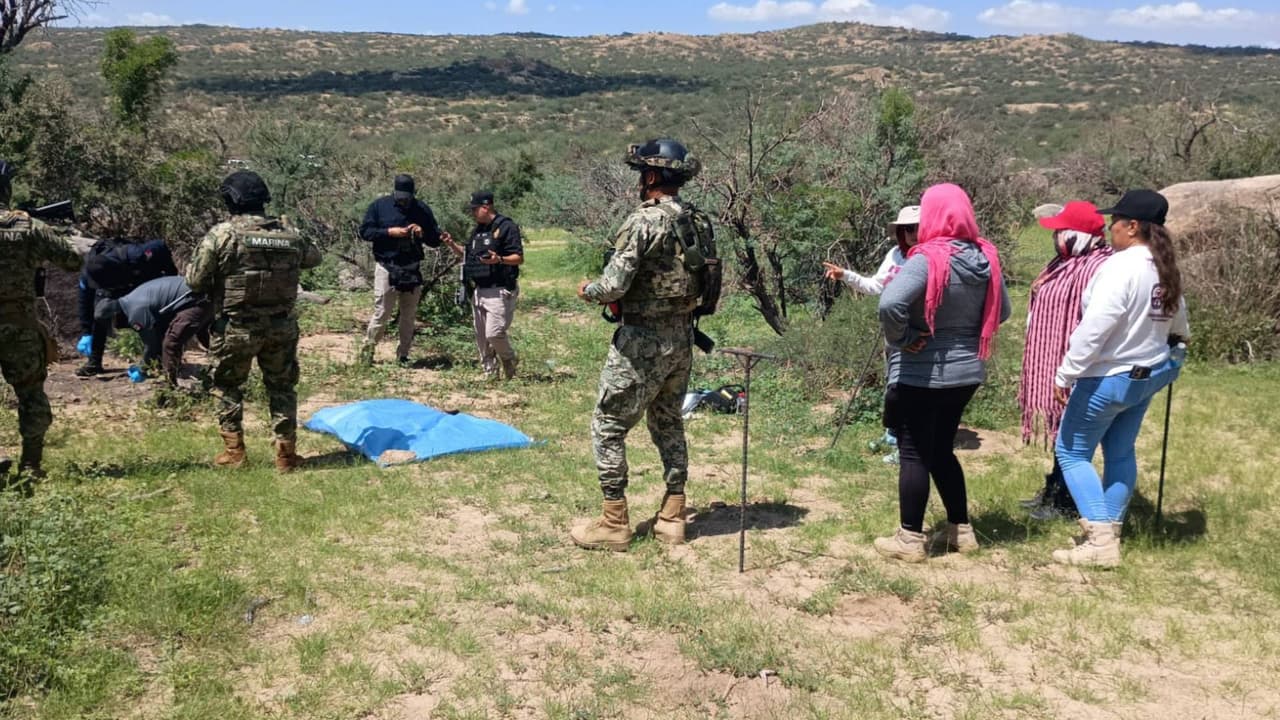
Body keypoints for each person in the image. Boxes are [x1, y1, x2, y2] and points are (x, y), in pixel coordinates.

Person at [571, 138, 707, 551]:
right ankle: (672, 517)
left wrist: (588, 290)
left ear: (650, 177)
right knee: (668, 421)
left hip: (641, 341)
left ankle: (614, 522)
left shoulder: (643, 221)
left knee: (608, 425)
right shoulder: (697, 220)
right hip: (682, 337)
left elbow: (614, 283)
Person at [874, 183, 1012, 562]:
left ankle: (909, 540)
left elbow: (890, 304)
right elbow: (1002, 312)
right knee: (941, 450)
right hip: (968, 371)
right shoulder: (987, 258)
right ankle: (960, 532)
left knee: (914, 451)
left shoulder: (927, 258)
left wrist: (903, 338)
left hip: (924, 371)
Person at [1052, 189, 1189, 568]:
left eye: (1115, 222)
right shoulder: (1164, 266)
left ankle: (1099, 540)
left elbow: (1096, 327)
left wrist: (1066, 374)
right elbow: (1180, 325)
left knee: (1072, 451)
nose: (1110, 229)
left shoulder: (1120, 266)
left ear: (1132, 227)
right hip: (1148, 374)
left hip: (1109, 375)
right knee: (1120, 450)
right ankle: (1110, 529)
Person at [185, 171, 322, 473]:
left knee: (228, 387)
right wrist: (291, 231)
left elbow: (195, 281)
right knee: (282, 388)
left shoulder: (222, 235)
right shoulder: (289, 233)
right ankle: (286, 456)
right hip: (280, 326)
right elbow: (314, 259)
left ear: (230, 200)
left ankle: (235, 454)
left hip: (236, 327)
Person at [1017, 201, 1113, 521]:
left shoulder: (1098, 267)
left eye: (1060, 231)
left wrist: (1070, 369)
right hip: (1057, 361)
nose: (1055, 236)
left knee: (1071, 436)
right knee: (1063, 432)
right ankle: (1054, 488)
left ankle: (1065, 500)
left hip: (1082, 365)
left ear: (1076, 235)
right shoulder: (1063, 263)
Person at [0, 158, 83, 484]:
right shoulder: (28, 227)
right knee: (31, 394)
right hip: (19, 325)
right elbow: (74, 260)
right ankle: (31, 465)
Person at [822, 205, 921, 464]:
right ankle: (893, 435)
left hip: (918, 336)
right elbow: (877, 285)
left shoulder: (930, 257)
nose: (913, 233)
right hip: (894, 333)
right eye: (908, 228)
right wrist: (846, 276)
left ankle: (907, 446)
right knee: (894, 385)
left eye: (918, 227)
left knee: (908, 389)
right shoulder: (895, 255)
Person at [358, 174, 449, 365]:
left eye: (406, 197)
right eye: (400, 196)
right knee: (382, 311)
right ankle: (367, 353)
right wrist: (389, 232)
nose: (403, 200)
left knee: (408, 316)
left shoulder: (422, 209)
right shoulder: (379, 206)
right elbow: (365, 232)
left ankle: (403, 355)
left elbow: (435, 240)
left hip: (412, 268)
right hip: (386, 266)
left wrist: (421, 232)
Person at [443, 191, 524, 380]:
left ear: (486, 207)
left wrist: (499, 259)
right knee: (481, 337)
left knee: (494, 333)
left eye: (475, 209)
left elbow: (519, 258)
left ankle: (509, 358)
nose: (472, 213)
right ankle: (490, 373)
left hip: (499, 289)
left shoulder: (506, 227)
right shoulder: (478, 230)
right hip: (479, 290)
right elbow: (467, 254)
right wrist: (451, 244)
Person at [76, 237, 177, 377]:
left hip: (139, 282)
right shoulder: (89, 273)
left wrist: (171, 278)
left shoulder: (136, 255)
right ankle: (94, 362)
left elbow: (160, 246)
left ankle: (155, 362)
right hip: (115, 285)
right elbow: (84, 300)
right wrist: (86, 332)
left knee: (154, 319)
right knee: (100, 313)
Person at [116, 275, 212, 387]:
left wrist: (143, 369)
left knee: (171, 343)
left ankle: (168, 386)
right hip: (201, 296)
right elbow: (159, 332)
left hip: (195, 299)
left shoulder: (136, 312)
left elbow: (151, 345)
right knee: (205, 337)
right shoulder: (131, 300)